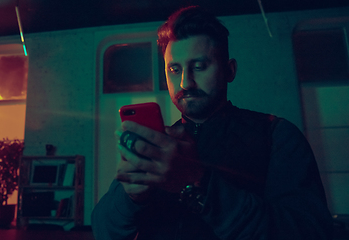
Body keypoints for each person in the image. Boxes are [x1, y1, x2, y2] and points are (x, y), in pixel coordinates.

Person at [91, 5, 333, 240]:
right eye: (174, 69)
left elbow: (307, 233)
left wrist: (197, 182)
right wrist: (129, 198)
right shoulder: (159, 143)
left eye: (200, 66)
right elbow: (103, 231)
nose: (186, 82)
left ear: (230, 71)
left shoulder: (277, 136)